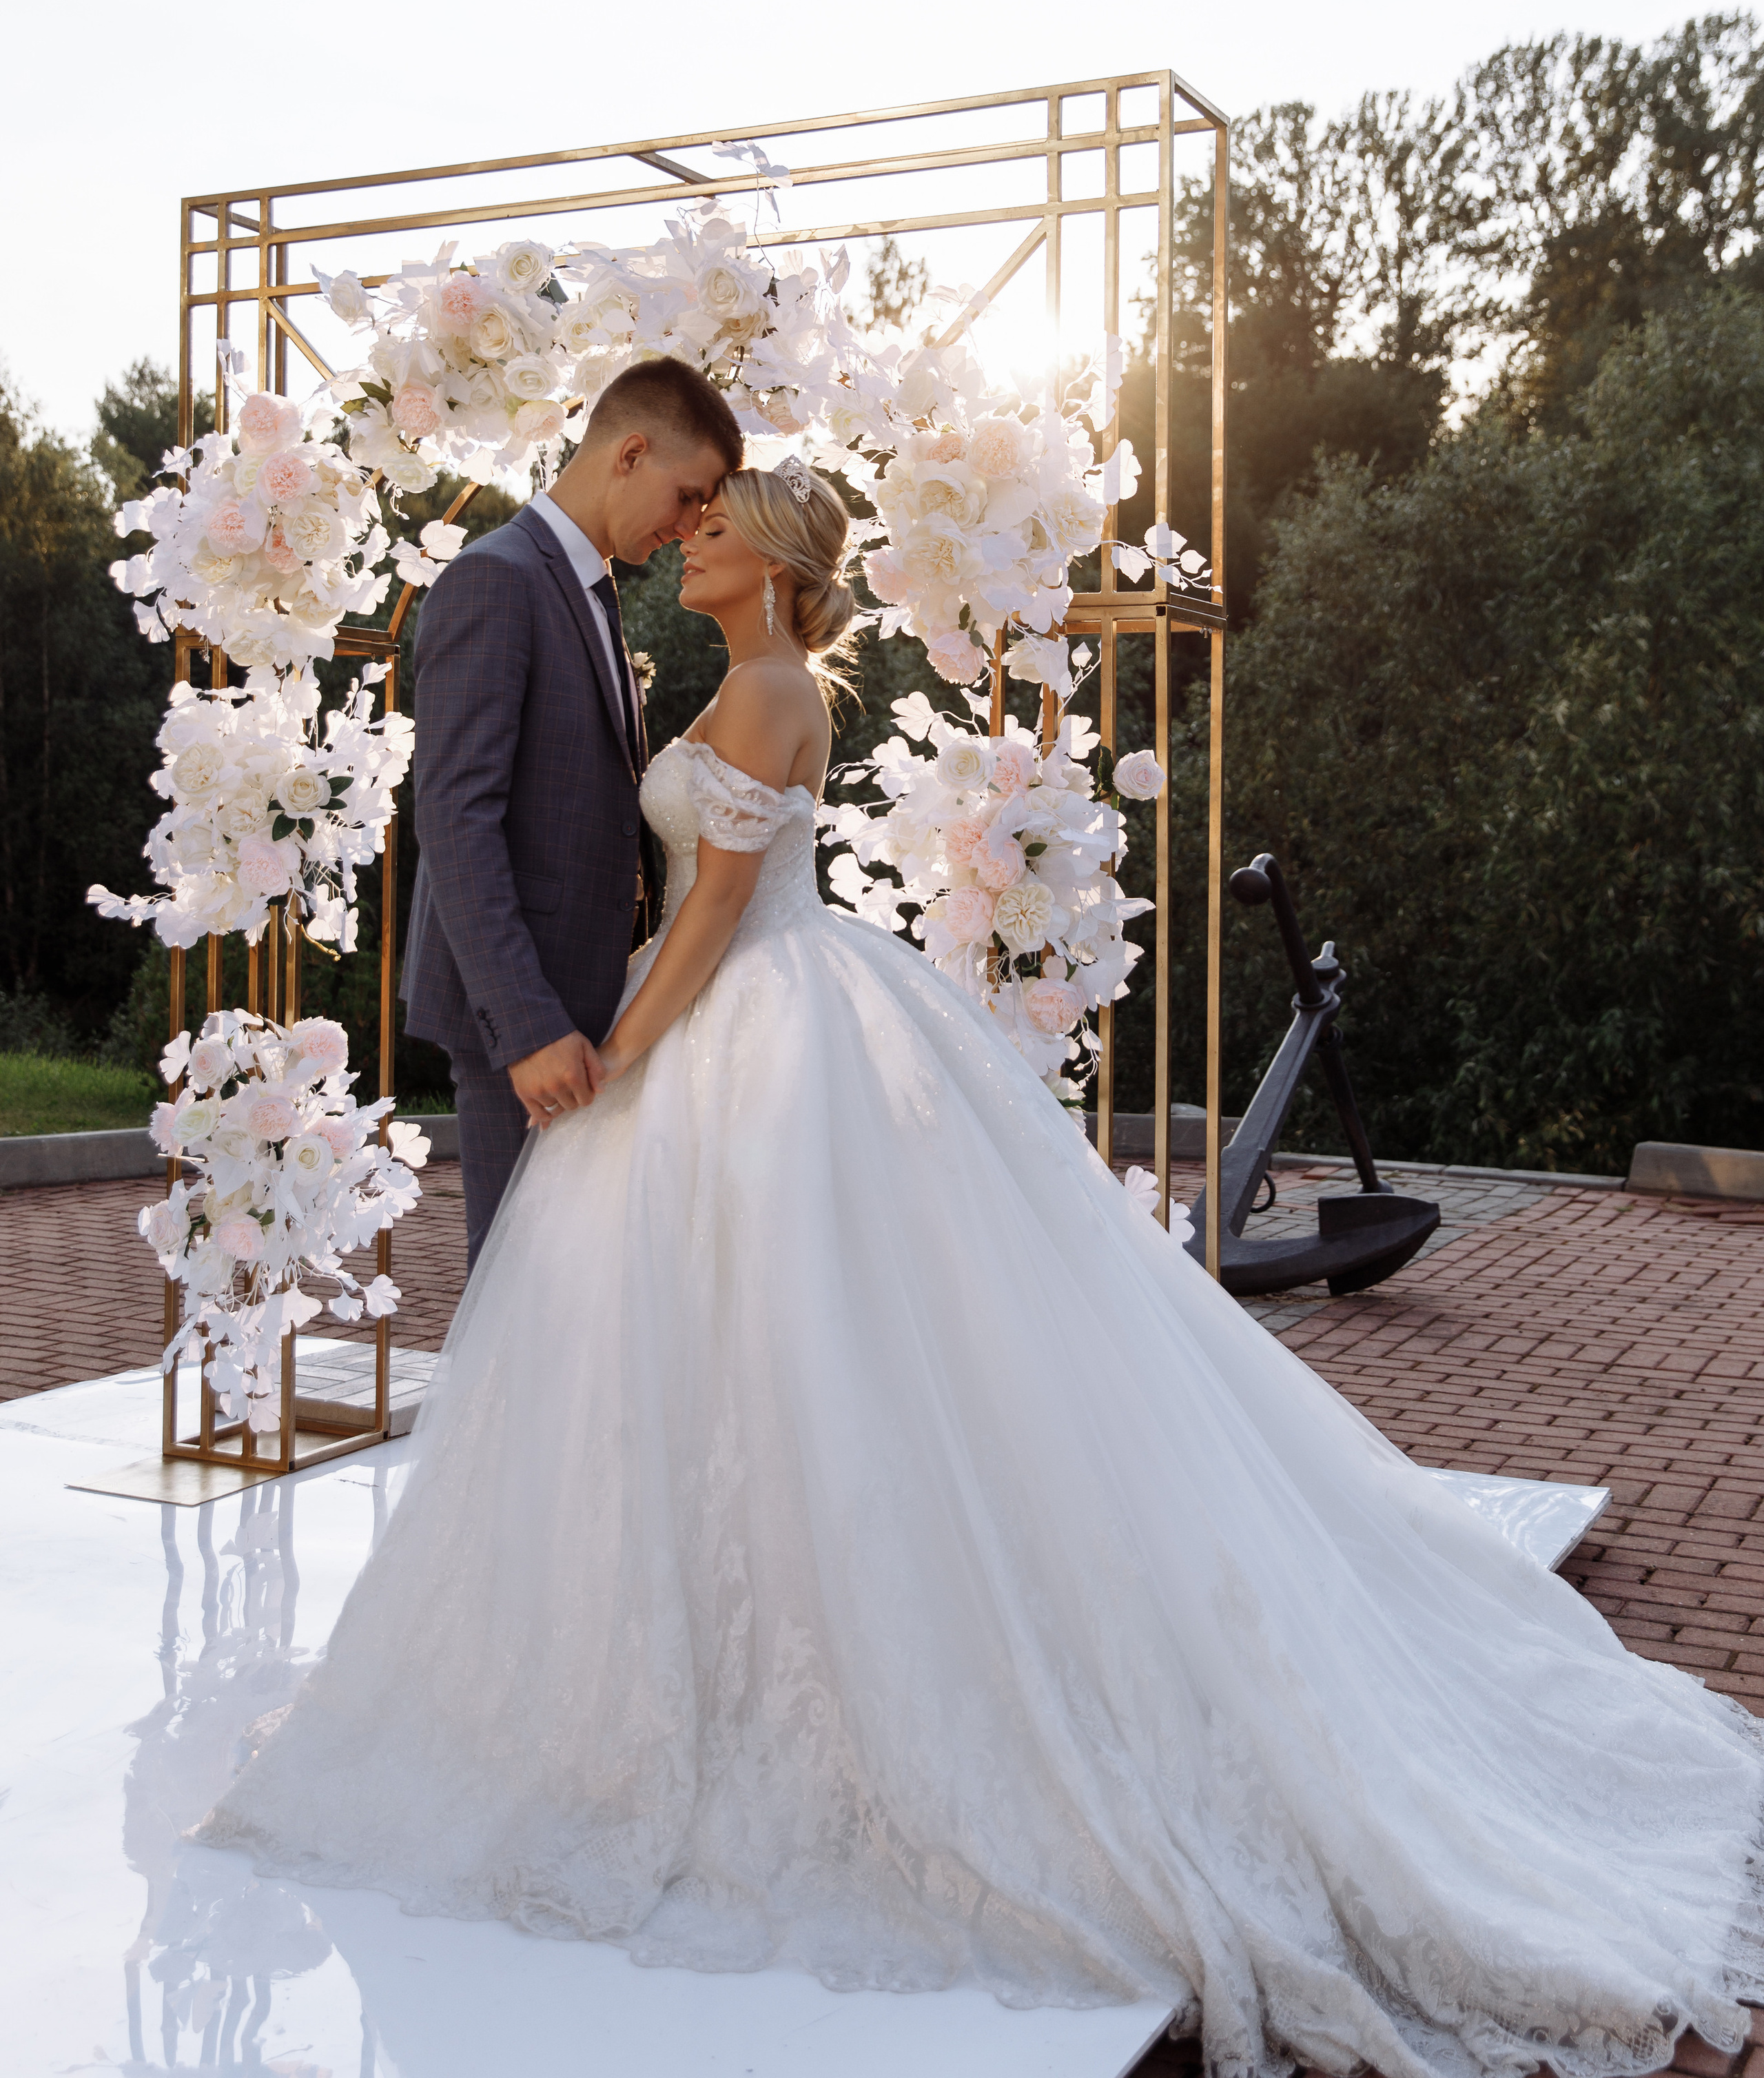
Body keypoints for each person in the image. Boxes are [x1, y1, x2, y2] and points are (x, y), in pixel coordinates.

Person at [201, 458, 1764, 2078]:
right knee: (758, 1348)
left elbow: (713, 918)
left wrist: (604, 1063)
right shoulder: (747, 679)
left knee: (798, 1342)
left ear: (772, 560)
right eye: (693, 519)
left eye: (714, 527)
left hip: (741, 1026)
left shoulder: (762, 692)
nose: (690, 538)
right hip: (774, 1017)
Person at [400, 355, 743, 1270]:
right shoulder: (497, 579)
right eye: (687, 495)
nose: (686, 526)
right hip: (528, 1022)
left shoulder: (589, 593)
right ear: (631, 452)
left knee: (572, 1304)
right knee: (521, 1297)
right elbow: (455, 819)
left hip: (586, 1009)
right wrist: (528, 1025)